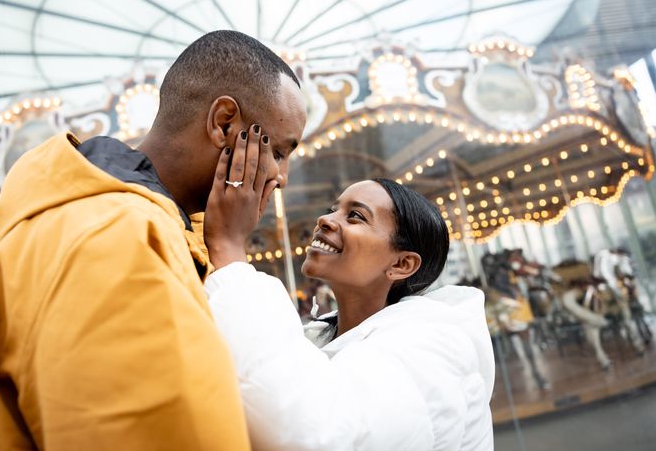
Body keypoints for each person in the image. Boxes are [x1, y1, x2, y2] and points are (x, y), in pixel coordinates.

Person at [0, 30, 307, 450]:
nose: (281, 177)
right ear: (223, 123)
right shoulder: (119, 237)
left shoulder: (109, 217)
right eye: (280, 151)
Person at [203, 149, 495, 449]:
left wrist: (229, 252)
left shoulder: (429, 348)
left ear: (401, 265)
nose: (326, 219)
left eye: (355, 216)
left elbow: (314, 434)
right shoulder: (320, 338)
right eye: (334, 208)